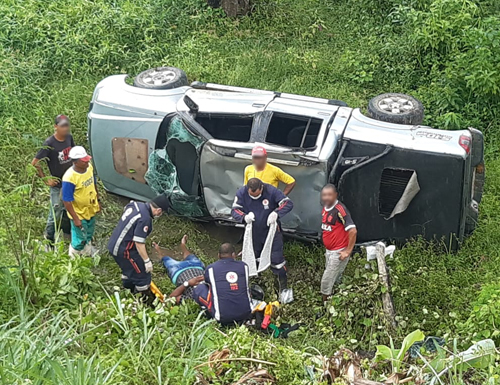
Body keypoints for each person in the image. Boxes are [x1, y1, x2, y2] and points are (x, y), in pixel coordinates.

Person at [231, 178, 294, 301]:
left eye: (257, 194)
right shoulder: (242, 193)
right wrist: (244, 217)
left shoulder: (271, 191)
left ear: (261, 188)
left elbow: (288, 203)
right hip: (253, 233)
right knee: (253, 260)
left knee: (277, 261)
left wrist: (276, 213)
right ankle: (257, 288)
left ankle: (283, 288)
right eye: (251, 194)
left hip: (271, 232)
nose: (254, 196)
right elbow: (234, 210)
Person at [107, 194, 170, 302]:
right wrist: (146, 261)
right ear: (159, 210)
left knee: (129, 268)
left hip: (114, 243)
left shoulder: (136, 204)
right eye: (162, 212)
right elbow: (139, 242)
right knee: (142, 275)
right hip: (124, 250)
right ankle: (144, 300)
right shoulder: (145, 219)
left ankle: (128, 290)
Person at [32, 115, 75, 246]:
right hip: (57, 185)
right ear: (55, 127)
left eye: (67, 125)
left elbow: (73, 154)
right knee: (55, 213)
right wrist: (46, 179)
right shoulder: (49, 143)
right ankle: (48, 239)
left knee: (69, 210)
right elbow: (35, 163)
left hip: (70, 182)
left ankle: (68, 235)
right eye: (62, 125)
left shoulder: (69, 138)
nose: (65, 128)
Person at [193, 243, 252, 326]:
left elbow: (207, 282)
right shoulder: (244, 266)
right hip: (245, 314)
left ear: (218, 255)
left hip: (222, 317)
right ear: (234, 255)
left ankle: (211, 311)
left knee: (200, 288)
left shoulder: (211, 269)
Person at [320, 184, 357, 302]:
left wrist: (348, 251)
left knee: (326, 281)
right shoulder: (325, 207)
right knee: (335, 277)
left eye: (329, 195)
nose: (326, 197)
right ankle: (338, 299)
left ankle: (325, 306)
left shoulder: (340, 210)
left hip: (338, 252)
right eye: (324, 195)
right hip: (329, 250)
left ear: (336, 195)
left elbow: (353, 230)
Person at [62, 146, 100, 257]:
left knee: (89, 233)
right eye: (84, 161)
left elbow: (94, 184)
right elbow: (67, 201)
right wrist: (76, 219)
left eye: (87, 159)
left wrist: (98, 201)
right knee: (79, 238)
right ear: (76, 162)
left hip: (91, 208)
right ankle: (74, 258)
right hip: (79, 213)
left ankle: (86, 253)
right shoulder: (69, 178)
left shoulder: (89, 168)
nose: (87, 162)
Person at [156, 235, 205, 304]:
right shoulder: (214, 291)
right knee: (189, 255)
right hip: (197, 266)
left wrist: (188, 283)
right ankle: (183, 245)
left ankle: (158, 250)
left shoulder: (193, 300)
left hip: (178, 270)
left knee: (165, 259)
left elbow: (171, 298)